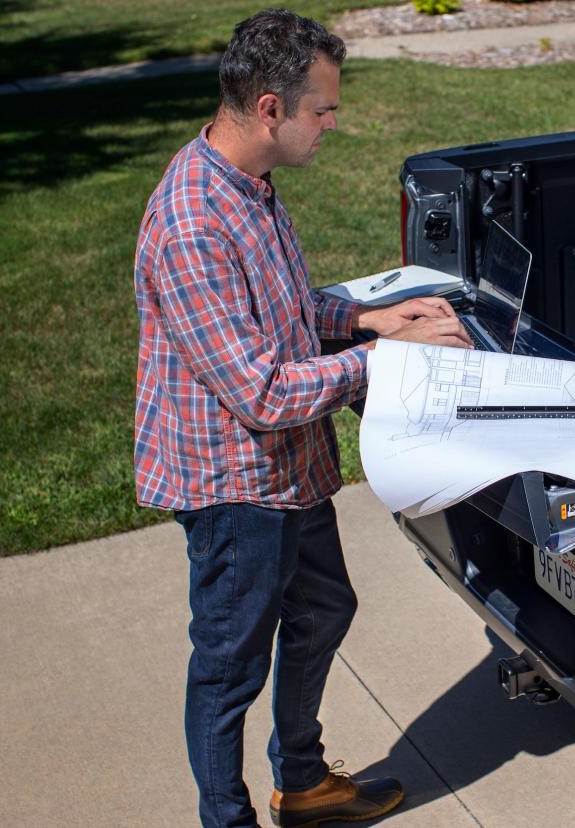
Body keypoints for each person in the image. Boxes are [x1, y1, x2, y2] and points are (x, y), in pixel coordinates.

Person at [132, 9, 472, 827]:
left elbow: (280, 310)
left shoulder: (248, 185)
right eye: (322, 109)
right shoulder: (191, 226)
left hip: (288, 469)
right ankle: (230, 818)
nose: (332, 123)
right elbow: (259, 391)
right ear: (271, 110)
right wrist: (382, 362)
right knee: (228, 666)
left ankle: (305, 781)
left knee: (324, 607)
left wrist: (366, 320)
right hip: (235, 485)